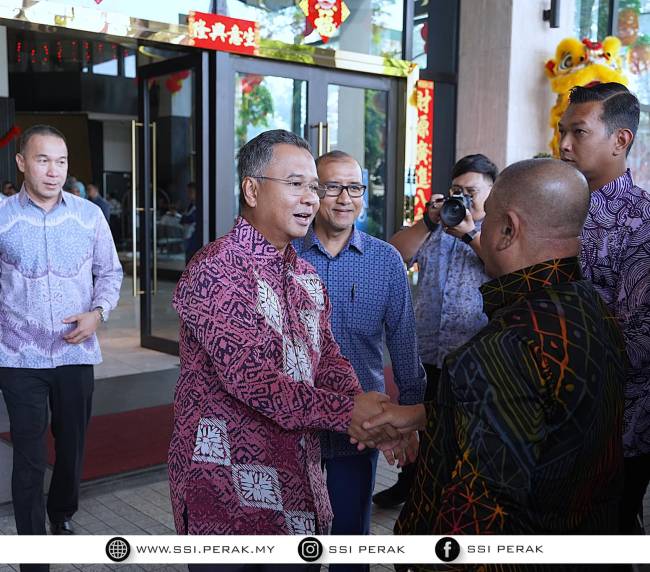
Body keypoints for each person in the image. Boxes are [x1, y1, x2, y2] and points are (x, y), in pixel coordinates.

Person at [361, 159, 626, 558]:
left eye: (487, 217)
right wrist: (425, 414)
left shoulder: (506, 344)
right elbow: (541, 416)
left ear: (507, 229)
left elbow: (479, 515)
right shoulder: (594, 309)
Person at [169, 130, 392, 572]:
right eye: (295, 184)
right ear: (252, 190)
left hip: (295, 488)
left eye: (314, 186)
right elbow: (254, 381)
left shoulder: (305, 276)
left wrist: (369, 410)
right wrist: (351, 413)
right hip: (224, 494)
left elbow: (328, 359)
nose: (311, 199)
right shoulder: (216, 269)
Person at [293, 150, 426, 566]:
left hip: (362, 423)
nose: (344, 198)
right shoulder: (286, 255)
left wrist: (409, 418)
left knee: (351, 538)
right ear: (314, 192)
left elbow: (404, 342)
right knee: (294, 536)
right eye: (332, 187)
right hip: (297, 423)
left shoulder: (385, 260)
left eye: (354, 188)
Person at [0, 125, 122, 571]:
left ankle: (62, 510)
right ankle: (35, 555)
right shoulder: (2, 217)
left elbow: (110, 273)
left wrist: (98, 313)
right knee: (29, 456)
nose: (54, 171)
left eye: (61, 161)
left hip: (75, 354)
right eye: (43, 160)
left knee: (71, 445)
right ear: (21, 163)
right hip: (18, 357)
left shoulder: (89, 216)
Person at [375, 154, 497, 508]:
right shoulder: (436, 228)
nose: (463, 199)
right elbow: (393, 256)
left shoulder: (497, 231)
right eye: (457, 191)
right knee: (418, 420)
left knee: (461, 428)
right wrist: (428, 221)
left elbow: (503, 268)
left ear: (492, 191)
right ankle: (409, 485)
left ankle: (451, 499)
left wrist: (471, 234)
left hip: (472, 351)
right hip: (427, 347)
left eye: (471, 192)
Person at [559, 82, 650, 534]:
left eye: (578, 132)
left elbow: (637, 343)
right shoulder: (556, 206)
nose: (563, 144)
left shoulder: (641, 223)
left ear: (620, 140)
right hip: (551, 414)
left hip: (617, 426)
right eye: (561, 131)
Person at [180, 181, 201, 264]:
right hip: (187, 236)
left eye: (191, 192)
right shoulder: (190, 205)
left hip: (193, 237)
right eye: (188, 192)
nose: (188, 194)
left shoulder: (199, 206)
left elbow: (189, 218)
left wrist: (185, 218)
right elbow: (183, 219)